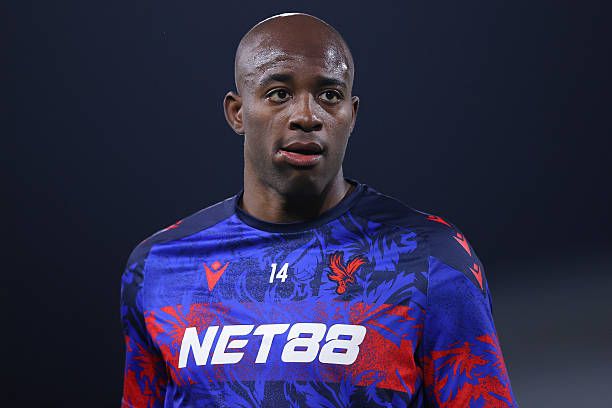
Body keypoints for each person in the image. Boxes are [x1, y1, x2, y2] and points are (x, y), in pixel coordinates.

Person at [120, 13, 518, 407]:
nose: (307, 117)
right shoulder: (159, 267)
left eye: (329, 95)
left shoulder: (432, 259)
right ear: (237, 112)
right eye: (279, 93)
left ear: (351, 115)